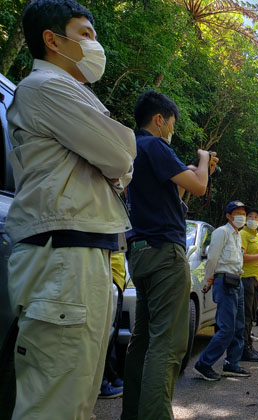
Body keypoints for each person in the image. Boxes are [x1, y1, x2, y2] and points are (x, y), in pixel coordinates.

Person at [5, 1, 136, 419]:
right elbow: (119, 154)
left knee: (75, 400)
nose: (94, 44)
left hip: (80, 254)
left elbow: (120, 166)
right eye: (85, 33)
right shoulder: (45, 87)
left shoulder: (71, 93)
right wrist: (115, 160)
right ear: (51, 39)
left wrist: (116, 162)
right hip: (64, 258)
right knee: (55, 405)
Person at [121, 90, 218, 420]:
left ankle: (132, 413)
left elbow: (173, 191)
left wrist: (191, 172)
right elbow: (199, 186)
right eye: (171, 124)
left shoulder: (131, 148)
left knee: (144, 337)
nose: (171, 131)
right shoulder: (154, 145)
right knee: (168, 342)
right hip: (165, 253)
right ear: (159, 119)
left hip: (139, 252)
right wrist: (203, 161)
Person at [193, 201, 251, 381]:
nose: (242, 216)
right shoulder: (221, 232)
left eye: (243, 212)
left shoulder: (237, 235)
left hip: (236, 280)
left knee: (239, 326)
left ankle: (232, 363)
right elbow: (212, 258)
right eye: (237, 212)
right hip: (224, 280)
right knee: (226, 327)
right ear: (228, 215)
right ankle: (204, 364)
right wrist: (209, 279)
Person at [240, 208, 258, 361]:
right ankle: (243, 349)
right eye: (249, 216)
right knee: (245, 315)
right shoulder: (243, 234)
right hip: (246, 278)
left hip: (257, 278)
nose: (252, 219)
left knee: (252, 315)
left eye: (255, 217)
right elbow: (241, 257)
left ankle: (249, 346)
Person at [98, 252, 127, 399]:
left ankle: (110, 376)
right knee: (105, 336)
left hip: (115, 278)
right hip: (110, 276)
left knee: (111, 336)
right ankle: (100, 385)